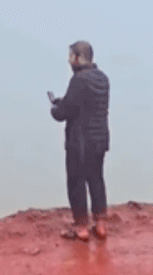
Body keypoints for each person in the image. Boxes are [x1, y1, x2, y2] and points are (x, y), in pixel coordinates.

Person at [50, 41, 110, 242]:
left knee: (76, 182)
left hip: (80, 141)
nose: (68, 60)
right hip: (100, 139)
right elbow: (83, 105)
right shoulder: (102, 79)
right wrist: (64, 102)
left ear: (77, 57)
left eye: (70, 56)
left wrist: (55, 108)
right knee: (96, 179)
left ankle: (81, 227)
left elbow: (64, 112)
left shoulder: (78, 80)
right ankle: (101, 225)